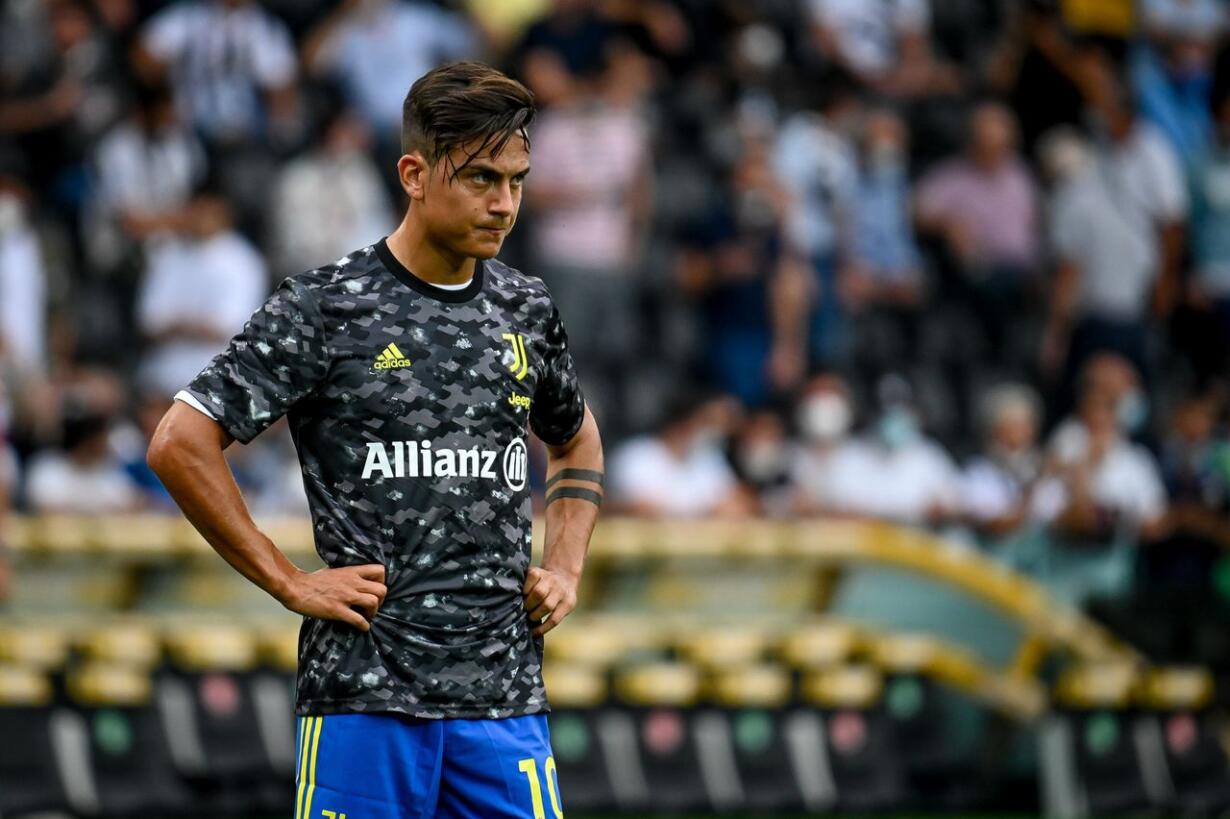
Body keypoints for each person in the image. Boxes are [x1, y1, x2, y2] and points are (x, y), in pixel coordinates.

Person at [146, 62, 603, 817]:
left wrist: (565, 565)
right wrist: (288, 581)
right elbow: (178, 442)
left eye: (516, 181)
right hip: (365, 696)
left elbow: (576, 438)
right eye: (481, 178)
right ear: (414, 175)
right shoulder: (326, 306)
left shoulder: (525, 308)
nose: (504, 204)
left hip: (504, 699)